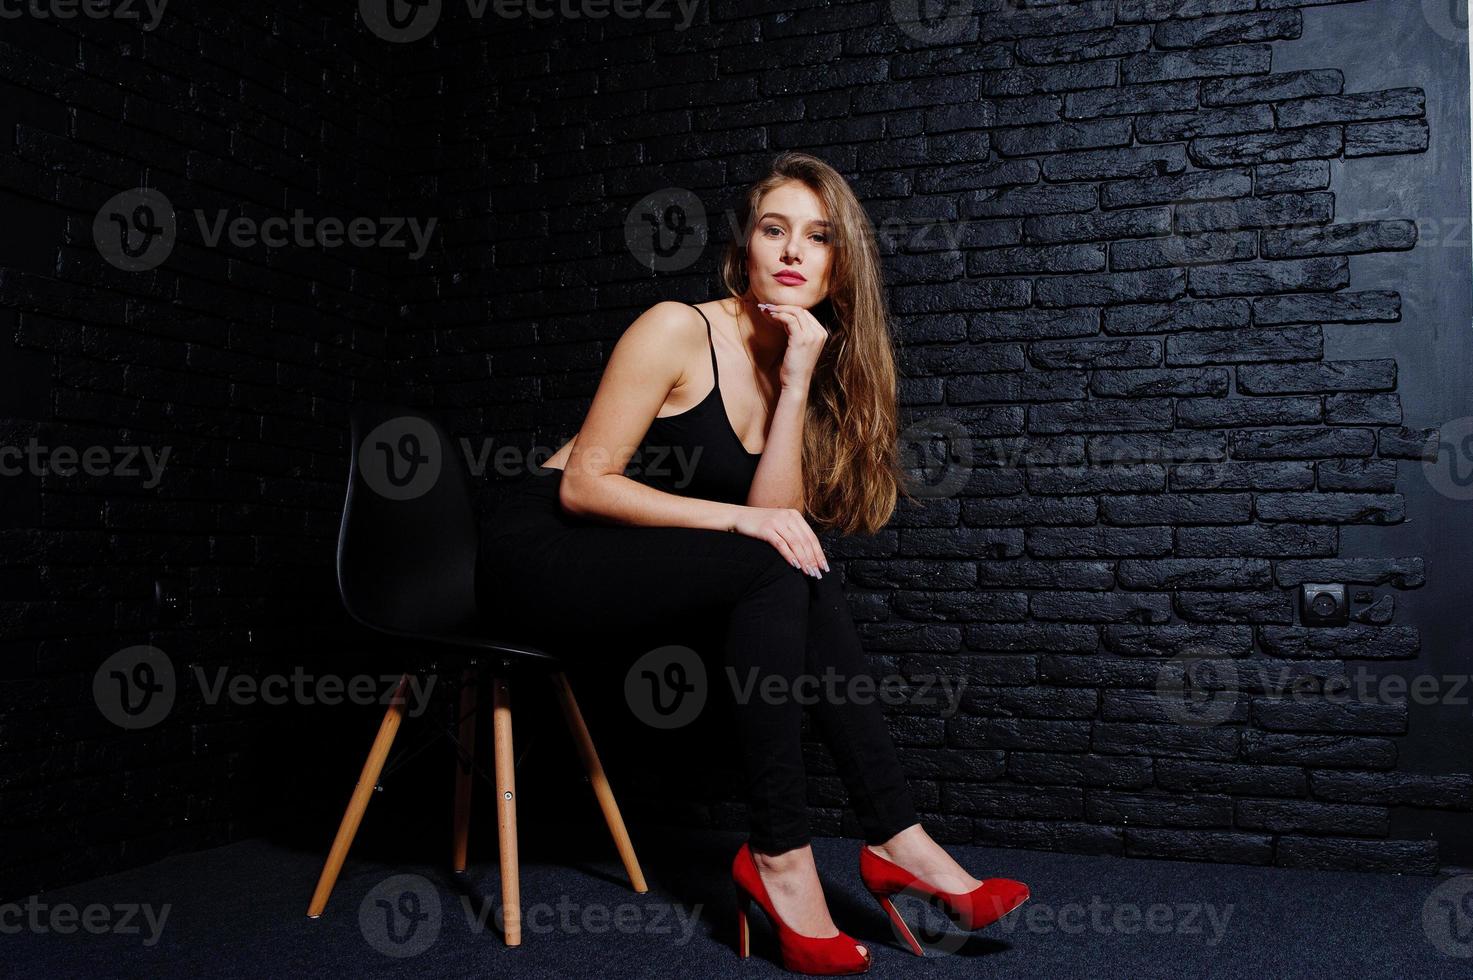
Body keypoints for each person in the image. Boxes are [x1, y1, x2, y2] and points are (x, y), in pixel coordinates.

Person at [477, 151, 1027, 973]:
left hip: (625, 563)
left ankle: (887, 837)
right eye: (774, 230)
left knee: (792, 560)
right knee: (777, 556)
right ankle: (796, 855)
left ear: (842, 269)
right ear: (745, 251)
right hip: (540, 555)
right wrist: (745, 522)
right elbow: (587, 487)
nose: (793, 251)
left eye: (818, 237)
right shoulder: (676, 326)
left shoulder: (796, 366)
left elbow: (777, 520)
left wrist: (799, 375)